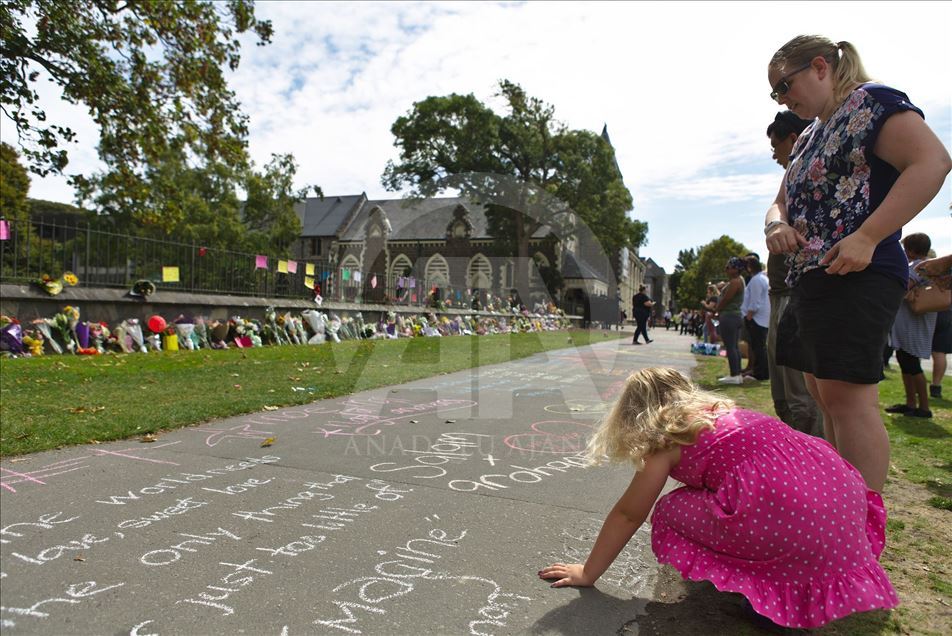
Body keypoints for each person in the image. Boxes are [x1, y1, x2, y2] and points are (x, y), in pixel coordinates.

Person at [538, 367, 898, 629]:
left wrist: (588, 572)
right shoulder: (726, 413)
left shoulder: (668, 437)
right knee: (761, 506)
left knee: (668, 509)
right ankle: (779, 581)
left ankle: (767, 594)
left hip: (790, 522)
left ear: (634, 415)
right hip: (844, 500)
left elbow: (630, 513)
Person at [764, 35, 951, 492]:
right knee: (825, 398)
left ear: (822, 67)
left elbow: (932, 161)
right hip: (813, 276)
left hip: (858, 272)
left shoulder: (873, 103)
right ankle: (841, 507)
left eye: (784, 86)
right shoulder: (809, 134)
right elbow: (779, 202)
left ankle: (860, 531)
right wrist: (775, 227)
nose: (782, 99)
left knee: (848, 401)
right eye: (775, 94)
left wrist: (867, 236)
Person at [764, 110, 824, 437]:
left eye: (776, 145)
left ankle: (815, 465)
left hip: (795, 293)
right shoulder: (792, 177)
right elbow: (776, 209)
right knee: (783, 394)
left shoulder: (815, 168)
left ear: (794, 138)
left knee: (801, 396)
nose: (773, 152)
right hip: (780, 296)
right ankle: (793, 458)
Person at [886, 233, 939, 417]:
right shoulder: (927, 265)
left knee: (911, 365)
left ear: (910, 249)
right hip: (912, 323)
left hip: (912, 325)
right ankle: (912, 403)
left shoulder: (917, 266)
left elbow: (903, 286)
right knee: (906, 362)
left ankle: (922, 407)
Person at [715, 257, 746, 384]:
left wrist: (717, 310)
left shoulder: (735, 282)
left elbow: (726, 299)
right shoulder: (739, 280)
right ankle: (737, 374)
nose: (725, 270)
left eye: (728, 267)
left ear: (735, 269)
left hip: (729, 316)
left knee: (730, 347)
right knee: (734, 346)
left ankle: (734, 375)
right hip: (735, 316)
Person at [740, 255, 770, 381]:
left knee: (758, 347)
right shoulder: (761, 278)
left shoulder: (756, 280)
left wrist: (749, 315)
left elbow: (755, 301)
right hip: (761, 318)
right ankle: (760, 371)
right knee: (759, 346)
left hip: (756, 318)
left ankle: (760, 372)